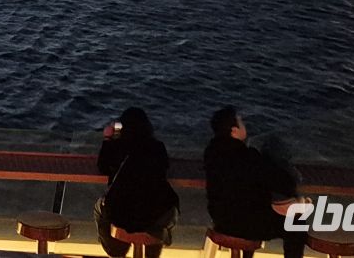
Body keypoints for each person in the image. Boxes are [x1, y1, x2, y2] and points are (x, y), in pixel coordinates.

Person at [203, 107, 306, 258]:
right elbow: (280, 181)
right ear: (234, 131)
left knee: (252, 214)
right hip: (245, 224)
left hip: (220, 221)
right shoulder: (246, 156)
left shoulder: (211, 153)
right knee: (296, 224)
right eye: (241, 123)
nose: (245, 126)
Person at [95, 107, 179, 258]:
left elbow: (102, 166)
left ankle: (115, 249)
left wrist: (108, 138)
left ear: (123, 128)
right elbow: (164, 167)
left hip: (121, 214)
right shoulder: (157, 147)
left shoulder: (117, 146)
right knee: (156, 217)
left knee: (99, 208)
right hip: (154, 213)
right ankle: (152, 253)